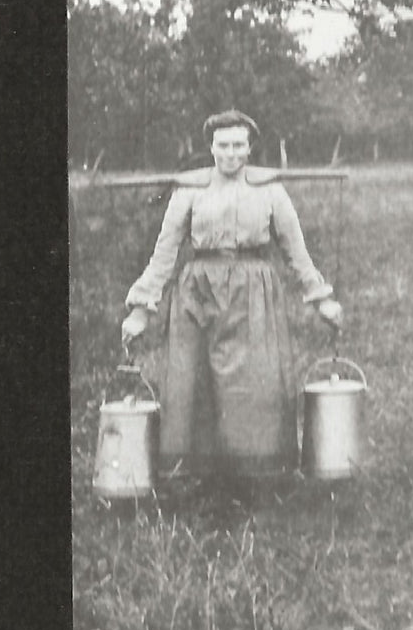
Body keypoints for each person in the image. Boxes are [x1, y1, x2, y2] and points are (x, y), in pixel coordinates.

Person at [120, 110, 343, 481]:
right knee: (194, 381)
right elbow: (165, 252)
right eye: (223, 145)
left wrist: (322, 299)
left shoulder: (270, 189)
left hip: (252, 293)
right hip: (198, 292)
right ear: (210, 147)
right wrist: (141, 310)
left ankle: (255, 474)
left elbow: (295, 250)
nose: (231, 153)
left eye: (239, 145)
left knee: (252, 384)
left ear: (250, 147)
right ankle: (199, 475)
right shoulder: (189, 190)